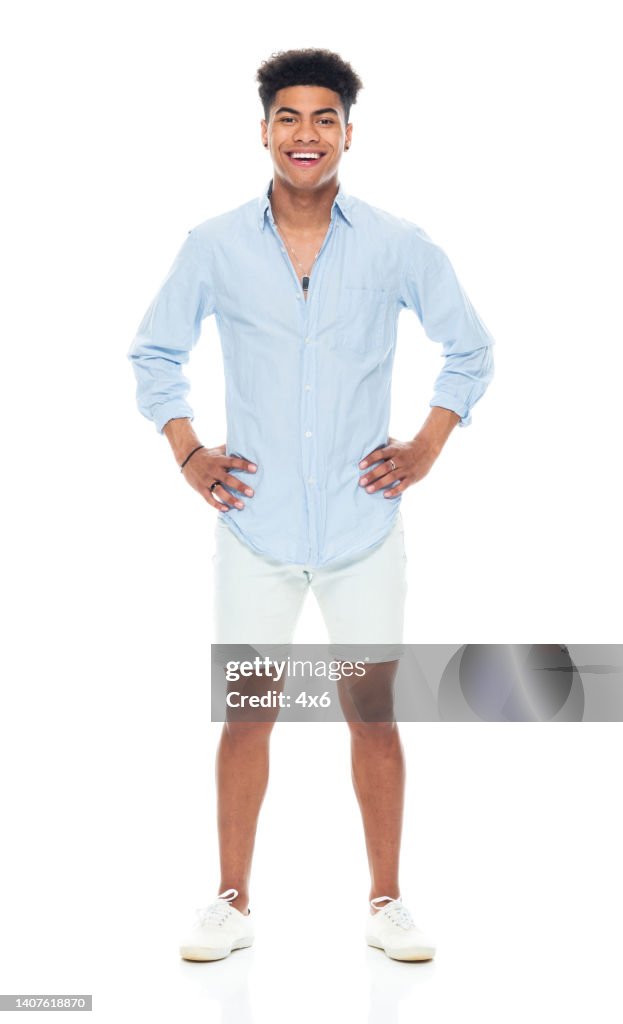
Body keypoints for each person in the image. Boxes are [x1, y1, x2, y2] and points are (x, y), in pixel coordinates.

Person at [127, 47, 495, 963]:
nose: (305, 134)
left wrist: (426, 445)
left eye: (323, 118)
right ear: (263, 130)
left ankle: (386, 902)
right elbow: (154, 353)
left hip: (362, 526)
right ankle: (231, 901)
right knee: (248, 714)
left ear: (347, 134)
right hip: (254, 527)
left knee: (373, 716)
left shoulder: (397, 244)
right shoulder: (213, 245)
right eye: (288, 117)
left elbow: (470, 349)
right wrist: (188, 452)